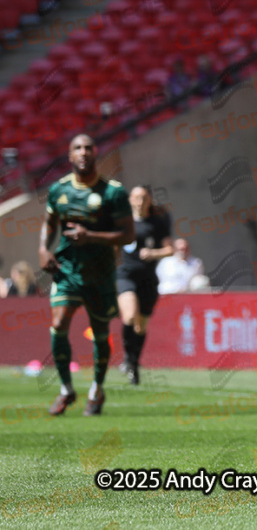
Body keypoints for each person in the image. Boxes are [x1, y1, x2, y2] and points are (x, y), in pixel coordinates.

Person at [40, 134, 134, 417]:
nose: (83, 152)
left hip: (101, 274)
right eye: (77, 148)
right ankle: (67, 389)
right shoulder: (58, 190)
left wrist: (90, 235)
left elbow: (127, 234)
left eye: (88, 148)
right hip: (67, 270)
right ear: (69, 156)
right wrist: (43, 249)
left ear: (96, 154)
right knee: (58, 323)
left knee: (101, 333)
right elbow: (49, 223)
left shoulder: (113, 193)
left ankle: (97, 388)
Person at [116, 186, 172, 386]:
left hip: (148, 278)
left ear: (149, 201)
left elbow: (170, 249)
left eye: (144, 198)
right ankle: (127, 357)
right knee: (130, 316)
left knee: (141, 326)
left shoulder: (157, 223)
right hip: (125, 275)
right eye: (136, 198)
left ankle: (134, 363)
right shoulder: (122, 221)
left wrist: (153, 253)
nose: (140, 202)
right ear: (130, 200)